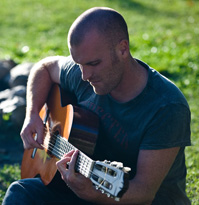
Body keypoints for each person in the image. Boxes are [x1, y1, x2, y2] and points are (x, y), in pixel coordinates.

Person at [3, 7, 191, 205]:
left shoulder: (167, 107)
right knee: (21, 192)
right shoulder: (84, 73)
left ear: (123, 49)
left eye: (93, 63)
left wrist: (91, 194)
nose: (85, 75)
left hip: (136, 200)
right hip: (89, 186)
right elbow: (44, 67)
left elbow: (144, 192)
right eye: (79, 64)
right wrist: (32, 114)